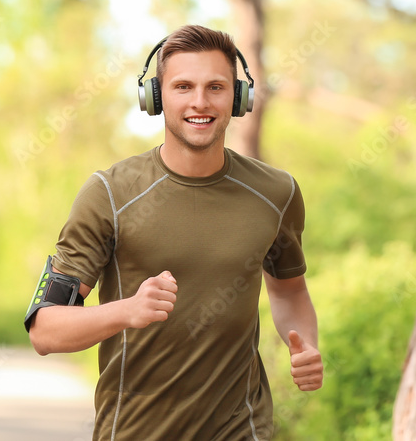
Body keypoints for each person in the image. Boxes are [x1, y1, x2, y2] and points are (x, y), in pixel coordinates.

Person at [26, 25, 323, 440]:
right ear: (155, 97)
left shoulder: (276, 193)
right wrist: (126, 311)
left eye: (216, 87)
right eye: (183, 86)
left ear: (238, 98)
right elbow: (44, 330)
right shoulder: (109, 194)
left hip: (243, 429)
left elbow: (289, 291)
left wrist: (306, 343)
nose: (200, 102)